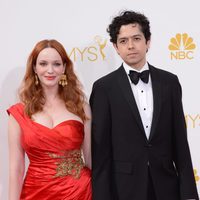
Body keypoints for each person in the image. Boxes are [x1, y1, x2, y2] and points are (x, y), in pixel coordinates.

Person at [90, 10, 199, 200]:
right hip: (123, 188)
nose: (130, 46)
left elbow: (180, 141)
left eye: (136, 38)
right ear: (115, 47)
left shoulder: (169, 82)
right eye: (123, 41)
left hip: (166, 186)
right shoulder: (103, 88)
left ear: (148, 42)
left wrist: (189, 192)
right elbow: (101, 151)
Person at [7, 39, 92, 200]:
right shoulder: (18, 112)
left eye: (57, 64)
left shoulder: (81, 107)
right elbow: (16, 169)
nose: (50, 70)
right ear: (34, 68)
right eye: (43, 63)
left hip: (80, 192)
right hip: (35, 193)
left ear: (65, 68)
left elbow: (89, 159)